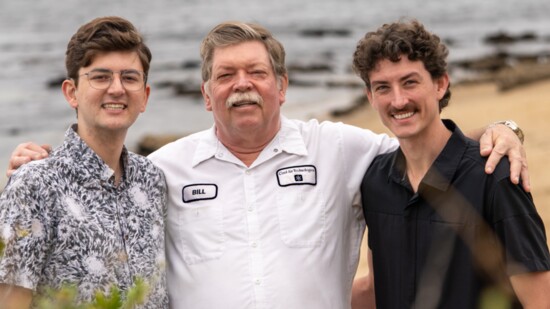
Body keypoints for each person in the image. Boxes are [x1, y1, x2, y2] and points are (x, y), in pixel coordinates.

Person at [5, 21, 528, 308]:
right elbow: (100, 187)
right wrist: (39, 165)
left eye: (256, 72)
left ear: (281, 87)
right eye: (226, 75)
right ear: (206, 94)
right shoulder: (160, 170)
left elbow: (426, 143)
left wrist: (507, 129)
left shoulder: (344, 150)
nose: (242, 84)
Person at [351, 19, 550, 308]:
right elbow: (375, 287)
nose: (398, 100)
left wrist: (508, 128)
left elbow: (541, 301)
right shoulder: (375, 181)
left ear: (440, 84)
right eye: (382, 87)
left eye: (410, 82)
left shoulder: (496, 177)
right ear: (370, 96)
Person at [0, 17, 168, 308]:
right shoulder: (34, 185)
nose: (117, 89)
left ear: (145, 96)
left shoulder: (153, 179)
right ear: (71, 92)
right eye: (100, 77)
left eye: (129, 77)